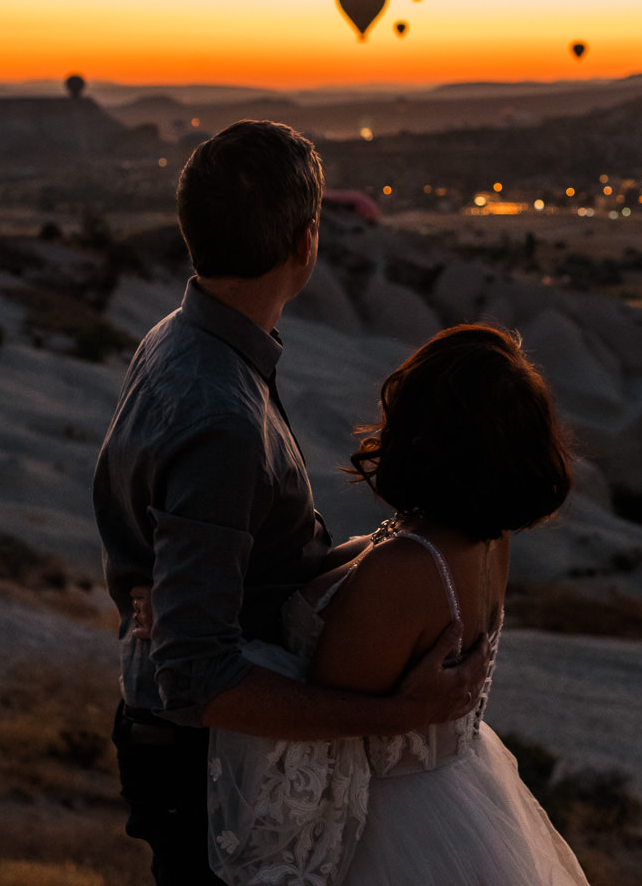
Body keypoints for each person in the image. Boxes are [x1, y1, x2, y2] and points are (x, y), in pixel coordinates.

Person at [92, 120, 488, 886]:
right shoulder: (224, 417)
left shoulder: (176, 341)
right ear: (307, 243)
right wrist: (401, 715)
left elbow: (220, 561)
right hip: (206, 764)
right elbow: (198, 674)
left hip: (190, 746)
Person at [200, 323, 591, 885]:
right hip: (456, 799)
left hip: (386, 828)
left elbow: (318, 747)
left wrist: (185, 627)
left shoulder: (409, 567)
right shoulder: (486, 536)